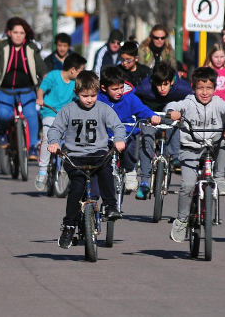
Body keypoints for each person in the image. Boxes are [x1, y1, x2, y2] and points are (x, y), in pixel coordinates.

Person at [166, 67, 225, 242]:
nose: (204, 92)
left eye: (209, 88)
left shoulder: (218, 103)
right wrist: (172, 112)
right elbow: (173, 105)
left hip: (212, 148)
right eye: (200, 88)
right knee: (187, 185)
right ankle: (182, 219)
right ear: (193, 87)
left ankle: (219, 176)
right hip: (190, 149)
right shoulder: (188, 103)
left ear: (214, 88)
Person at [47, 70, 126, 248]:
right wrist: (54, 143)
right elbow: (55, 129)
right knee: (76, 188)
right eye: (85, 96)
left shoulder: (104, 109)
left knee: (106, 173)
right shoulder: (68, 110)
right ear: (77, 93)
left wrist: (120, 139)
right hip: (74, 156)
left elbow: (118, 126)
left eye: (93, 95)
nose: (89, 99)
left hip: (98, 153)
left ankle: (111, 206)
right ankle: (68, 226)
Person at [0, 17, 47, 160]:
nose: (18, 35)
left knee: (32, 115)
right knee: (3, 115)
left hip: (27, 90)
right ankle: (2, 135)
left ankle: (32, 148)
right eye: (15, 32)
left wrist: (45, 75)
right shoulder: (1, 46)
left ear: (25, 34)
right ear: (9, 33)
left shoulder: (31, 48)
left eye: (21, 33)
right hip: (5, 89)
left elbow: (40, 65)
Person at [133, 62, 192, 197]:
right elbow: (134, 100)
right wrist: (145, 114)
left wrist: (181, 113)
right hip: (150, 114)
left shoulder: (182, 88)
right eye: (158, 84)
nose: (161, 89)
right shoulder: (145, 87)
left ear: (172, 81)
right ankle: (144, 182)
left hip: (169, 114)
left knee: (175, 125)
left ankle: (175, 156)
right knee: (147, 138)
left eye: (165, 84)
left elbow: (191, 101)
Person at [98, 66, 160, 194]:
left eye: (121, 87)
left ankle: (130, 170)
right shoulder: (98, 98)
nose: (119, 91)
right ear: (104, 88)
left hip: (127, 132)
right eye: (114, 89)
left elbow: (142, 109)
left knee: (130, 145)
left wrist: (153, 116)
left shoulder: (129, 98)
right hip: (105, 134)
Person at [34, 53, 87, 190]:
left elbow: (81, 96)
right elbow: (41, 90)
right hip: (50, 112)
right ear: (73, 70)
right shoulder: (53, 76)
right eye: (81, 70)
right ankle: (42, 171)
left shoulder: (76, 83)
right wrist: (40, 99)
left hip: (67, 115)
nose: (82, 74)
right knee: (48, 136)